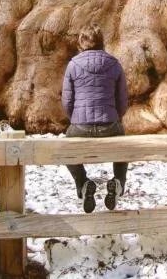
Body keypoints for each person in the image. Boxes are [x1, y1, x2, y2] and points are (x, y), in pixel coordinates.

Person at [62, 23, 128, 213]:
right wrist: (115, 117)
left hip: (80, 127)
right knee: (124, 148)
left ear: (81, 43)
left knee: (65, 150)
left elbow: (67, 101)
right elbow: (123, 100)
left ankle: (83, 183)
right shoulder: (114, 64)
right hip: (110, 125)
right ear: (102, 42)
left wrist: (75, 119)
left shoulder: (73, 65)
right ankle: (117, 182)